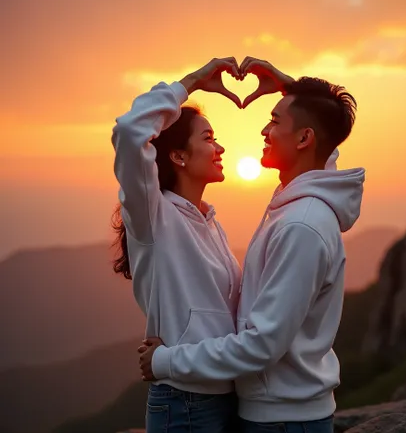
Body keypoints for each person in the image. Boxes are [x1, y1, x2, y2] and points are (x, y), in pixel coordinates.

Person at [138, 57, 366, 433]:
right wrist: (295, 92)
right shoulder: (298, 204)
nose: (264, 128)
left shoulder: (301, 225)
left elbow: (263, 344)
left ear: (304, 138)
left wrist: (165, 361)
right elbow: (323, 147)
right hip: (278, 412)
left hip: (281, 420)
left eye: (275, 121)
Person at [111, 57, 245, 433]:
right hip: (185, 403)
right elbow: (129, 130)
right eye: (207, 138)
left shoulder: (210, 222)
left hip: (227, 393)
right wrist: (193, 81)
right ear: (177, 155)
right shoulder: (154, 215)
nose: (219, 147)